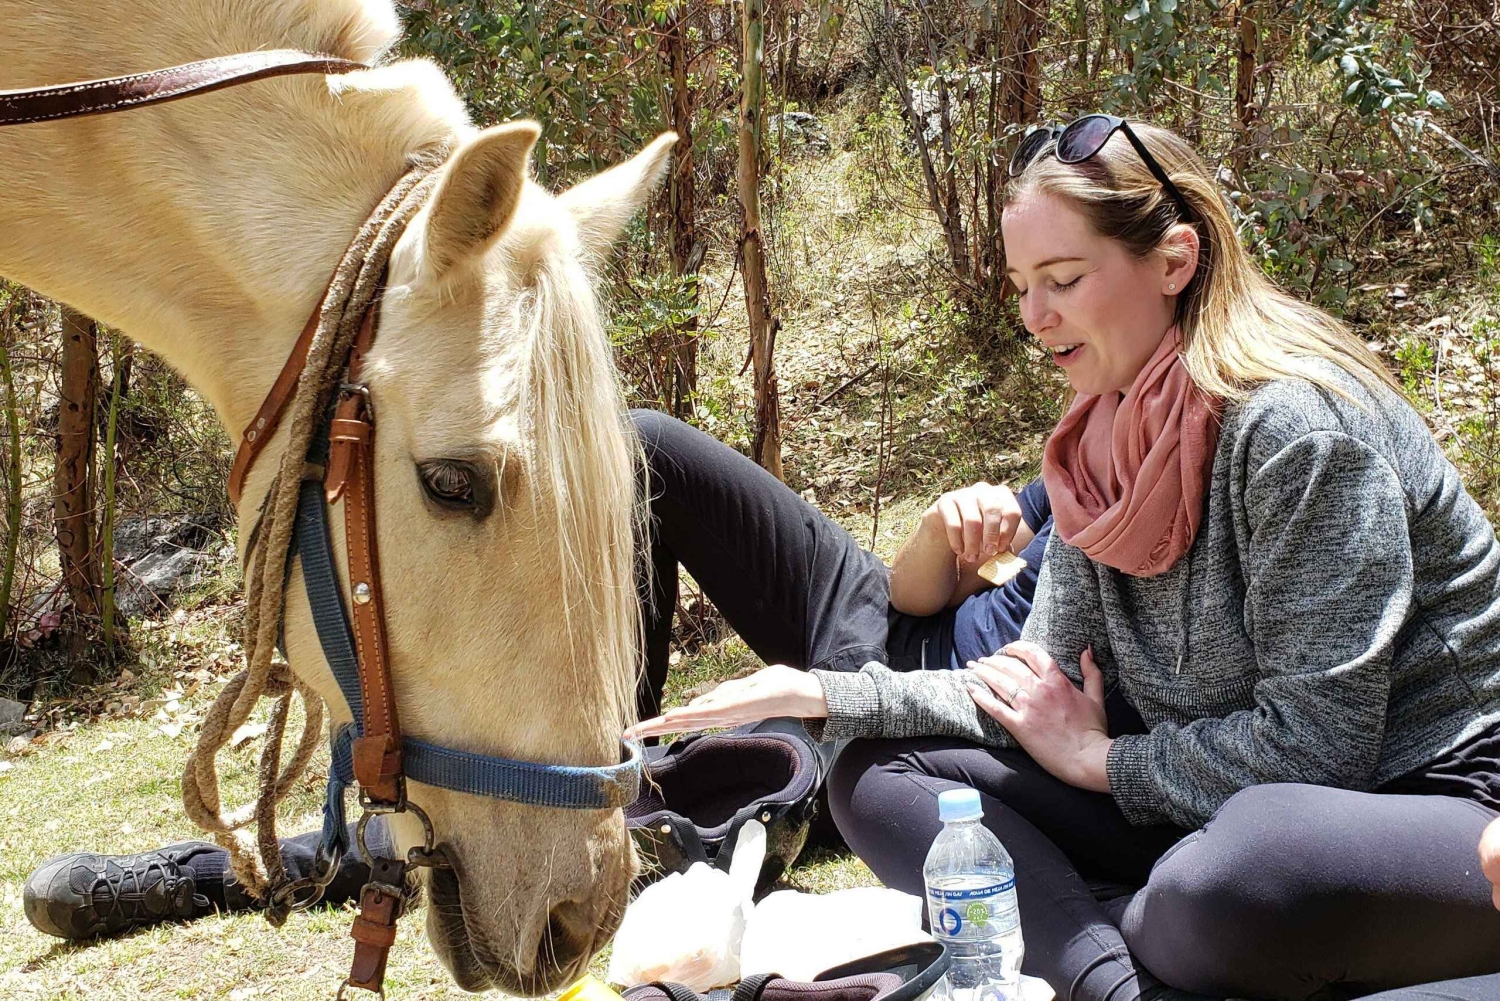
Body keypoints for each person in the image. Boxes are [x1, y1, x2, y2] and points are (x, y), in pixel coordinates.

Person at [630, 116, 1500, 1001]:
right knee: (872, 771)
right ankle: (1122, 985)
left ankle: (1133, 935)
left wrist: (1102, 761)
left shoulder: (1297, 433)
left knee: (1228, 883)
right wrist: (824, 692)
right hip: (1204, 792)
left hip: (1428, 802)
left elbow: (1323, 750)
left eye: (1063, 280)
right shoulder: (1100, 441)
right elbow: (1030, 681)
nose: (1033, 317)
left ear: (1175, 261)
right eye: (1021, 286)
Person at [24, 411, 1056, 938]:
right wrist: (936, 538)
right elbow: (920, 594)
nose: (1044, 313)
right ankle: (608, 757)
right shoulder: (1095, 438)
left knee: (596, 827)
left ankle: (198, 877)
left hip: (927, 724)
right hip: (878, 616)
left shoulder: (1209, 483)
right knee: (640, 452)